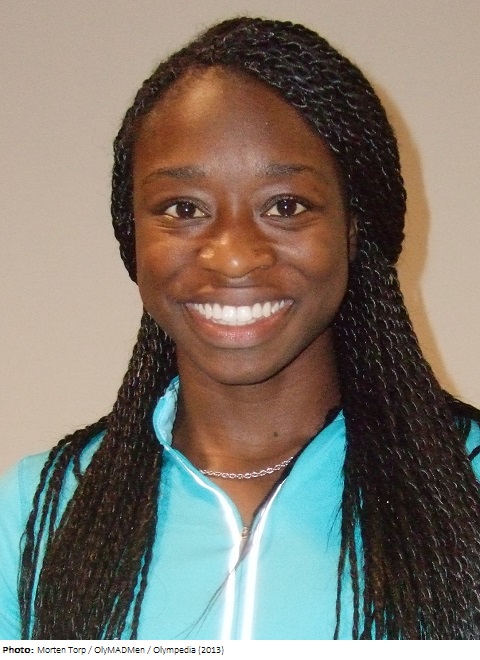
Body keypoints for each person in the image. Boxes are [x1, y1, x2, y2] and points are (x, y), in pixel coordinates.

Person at [1, 16, 480, 641]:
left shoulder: (466, 483)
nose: (232, 257)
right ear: (132, 235)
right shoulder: (39, 510)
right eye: (184, 209)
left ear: (353, 228)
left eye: (285, 206)